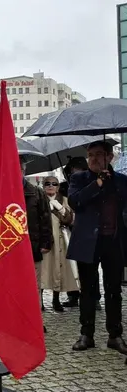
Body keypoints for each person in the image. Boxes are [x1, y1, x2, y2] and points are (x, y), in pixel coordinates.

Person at [67, 141, 127, 354]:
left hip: (113, 241)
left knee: (114, 290)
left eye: (99, 154)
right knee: (88, 290)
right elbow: (74, 202)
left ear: (110, 157)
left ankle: (115, 335)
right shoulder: (78, 179)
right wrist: (97, 184)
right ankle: (87, 334)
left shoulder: (121, 181)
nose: (93, 158)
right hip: (87, 243)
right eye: (90, 155)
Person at [39, 176, 77, 312]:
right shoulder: (39, 200)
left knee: (58, 270)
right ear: (43, 186)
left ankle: (56, 300)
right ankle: (40, 301)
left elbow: (70, 219)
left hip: (61, 241)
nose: (50, 186)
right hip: (45, 240)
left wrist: (60, 209)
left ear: (58, 186)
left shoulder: (64, 200)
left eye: (54, 184)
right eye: (47, 183)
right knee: (43, 271)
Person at [21, 168, 53, 312]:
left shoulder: (36, 192)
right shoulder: (3, 191)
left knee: (34, 285)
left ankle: (35, 319)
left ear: (23, 170)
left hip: (32, 246)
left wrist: (46, 242)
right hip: (11, 248)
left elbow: (45, 218)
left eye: (19, 168)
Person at [60, 157, 88, 308]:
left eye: (78, 169)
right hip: (70, 229)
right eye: (72, 169)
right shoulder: (65, 186)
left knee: (88, 265)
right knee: (71, 264)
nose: (75, 172)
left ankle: (92, 296)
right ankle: (73, 295)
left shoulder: (89, 183)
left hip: (86, 229)